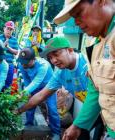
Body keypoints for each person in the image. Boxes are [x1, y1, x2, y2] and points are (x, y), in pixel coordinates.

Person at [53, 0, 115, 139]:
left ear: (102, 1)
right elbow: (95, 88)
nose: (76, 22)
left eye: (79, 13)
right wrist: (77, 126)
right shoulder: (96, 42)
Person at [16, 36, 91, 139]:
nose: (54, 60)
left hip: (105, 108)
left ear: (69, 50)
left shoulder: (88, 64)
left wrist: (76, 125)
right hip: (92, 111)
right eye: (50, 57)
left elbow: (96, 97)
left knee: (52, 109)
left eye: (56, 54)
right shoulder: (60, 73)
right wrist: (19, 110)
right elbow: (41, 95)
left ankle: (56, 133)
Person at [17, 48, 61, 138]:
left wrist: (24, 92)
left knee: (52, 109)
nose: (23, 64)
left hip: (49, 87)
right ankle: (29, 125)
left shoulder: (43, 65)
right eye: (22, 62)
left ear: (34, 59)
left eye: (26, 62)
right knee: (30, 106)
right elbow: (27, 80)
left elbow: (37, 81)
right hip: (33, 87)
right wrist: (27, 92)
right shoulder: (22, 65)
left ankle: (56, 132)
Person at [0, 21, 19, 90]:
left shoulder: (14, 39)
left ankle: (6, 98)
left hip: (10, 64)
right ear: (4, 28)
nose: (9, 31)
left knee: (8, 83)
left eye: (11, 29)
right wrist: (3, 46)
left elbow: (16, 52)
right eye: (8, 28)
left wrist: (8, 47)